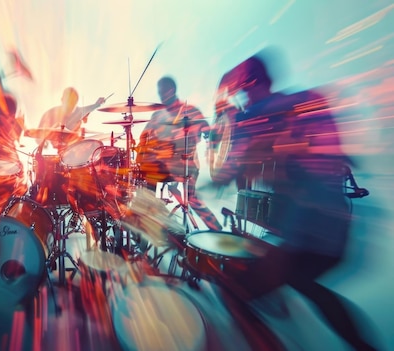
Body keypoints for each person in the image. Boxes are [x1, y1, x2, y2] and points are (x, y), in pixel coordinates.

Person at [212, 50, 378, 351]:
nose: (241, 97)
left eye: (241, 89)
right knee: (304, 284)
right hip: (332, 225)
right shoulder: (302, 101)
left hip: (312, 229)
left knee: (236, 290)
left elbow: (227, 171)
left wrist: (222, 102)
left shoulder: (258, 114)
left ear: (249, 85)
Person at [136, 76, 222, 232]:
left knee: (191, 199)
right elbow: (144, 136)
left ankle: (216, 230)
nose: (161, 95)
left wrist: (210, 134)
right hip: (163, 169)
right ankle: (158, 230)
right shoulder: (157, 115)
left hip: (185, 166)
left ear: (172, 90)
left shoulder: (189, 111)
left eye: (164, 91)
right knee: (150, 193)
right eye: (159, 92)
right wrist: (142, 154)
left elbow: (206, 129)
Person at [37, 87, 105, 149]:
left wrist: (97, 104)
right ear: (62, 100)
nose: (70, 107)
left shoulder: (79, 111)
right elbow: (38, 134)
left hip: (75, 149)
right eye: (68, 102)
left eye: (73, 104)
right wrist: (43, 143)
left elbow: (91, 108)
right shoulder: (50, 114)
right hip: (58, 151)